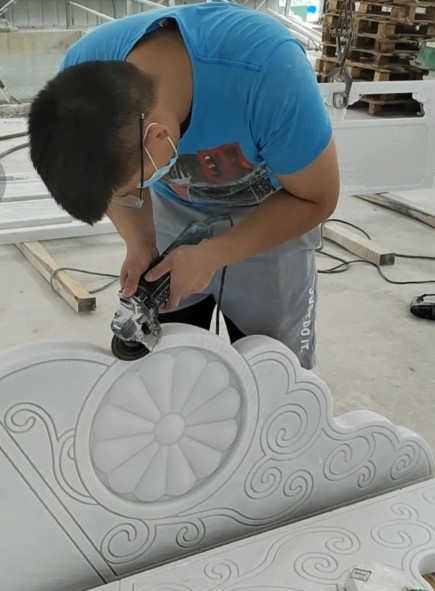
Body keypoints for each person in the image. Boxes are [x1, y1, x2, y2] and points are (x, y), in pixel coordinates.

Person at [29, 2, 339, 369]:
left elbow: (316, 198)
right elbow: (112, 186)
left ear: (158, 135)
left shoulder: (269, 73)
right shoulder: (81, 81)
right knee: (170, 367)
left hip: (275, 209)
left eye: (133, 189)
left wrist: (215, 253)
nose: (129, 197)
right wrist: (140, 241)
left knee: (275, 367)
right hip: (175, 207)